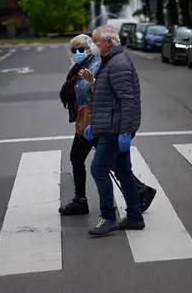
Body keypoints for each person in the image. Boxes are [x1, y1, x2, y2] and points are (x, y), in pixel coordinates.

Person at [58, 34, 157, 216]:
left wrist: (92, 83)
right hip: (85, 122)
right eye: (74, 50)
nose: (77, 53)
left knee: (103, 163)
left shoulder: (95, 68)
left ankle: (100, 205)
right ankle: (138, 191)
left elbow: (106, 96)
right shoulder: (78, 68)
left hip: (96, 122)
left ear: (90, 49)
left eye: (81, 49)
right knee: (92, 160)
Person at [83, 25, 146, 236]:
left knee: (98, 169)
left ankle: (108, 217)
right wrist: (95, 125)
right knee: (122, 171)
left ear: (108, 43)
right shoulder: (110, 61)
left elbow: (127, 101)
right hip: (110, 126)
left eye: (96, 41)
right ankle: (135, 217)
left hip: (115, 128)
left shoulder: (117, 64)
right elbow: (106, 98)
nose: (93, 45)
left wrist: (125, 132)